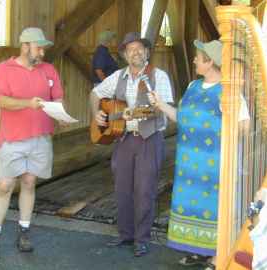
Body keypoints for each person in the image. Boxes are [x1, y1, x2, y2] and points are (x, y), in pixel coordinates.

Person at [148, 40, 249, 269]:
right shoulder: (193, 86)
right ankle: (198, 251)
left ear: (210, 61)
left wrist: (228, 123)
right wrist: (161, 104)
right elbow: (181, 118)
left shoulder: (229, 90)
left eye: (197, 57)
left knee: (214, 209)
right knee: (192, 206)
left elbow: (244, 125)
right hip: (188, 165)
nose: (193, 60)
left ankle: (217, 255)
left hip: (214, 165)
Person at [0, 27, 65, 260]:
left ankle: (24, 232)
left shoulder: (49, 69)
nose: (42, 52)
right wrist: (28, 103)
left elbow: (57, 96)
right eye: (39, 47)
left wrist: (60, 113)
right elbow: (1, 100)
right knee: (4, 186)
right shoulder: (4, 69)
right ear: (25, 46)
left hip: (41, 138)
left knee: (29, 183)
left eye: (43, 48)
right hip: (12, 139)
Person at [90, 32, 174, 257]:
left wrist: (134, 113)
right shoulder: (118, 76)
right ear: (125, 55)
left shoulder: (159, 76)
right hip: (124, 139)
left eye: (140, 49)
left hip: (149, 139)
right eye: (131, 50)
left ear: (146, 52)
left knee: (145, 190)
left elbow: (162, 107)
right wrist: (97, 113)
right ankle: (125, 234)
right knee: (122, 189)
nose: (136, 52)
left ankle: (142, 239)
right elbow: (95, 92)